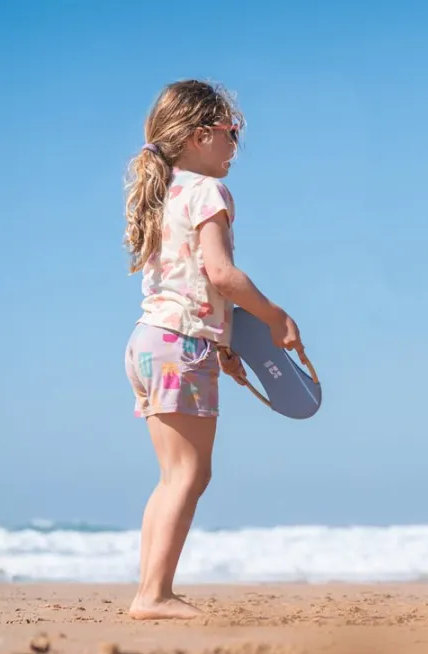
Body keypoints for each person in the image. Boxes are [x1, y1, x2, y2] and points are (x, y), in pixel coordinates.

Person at [122, 79, 303, 620]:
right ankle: (153, 595)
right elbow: (220, 274)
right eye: (232, 132)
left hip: (150, 342)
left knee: (173, 474)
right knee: (189, 475)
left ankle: (149, 590)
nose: (235, 144)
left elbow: (185, 284)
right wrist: (276, 316)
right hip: (181, 346)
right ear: (201, 136)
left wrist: (225, 342)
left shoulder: (165, 193)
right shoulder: (206, 192)